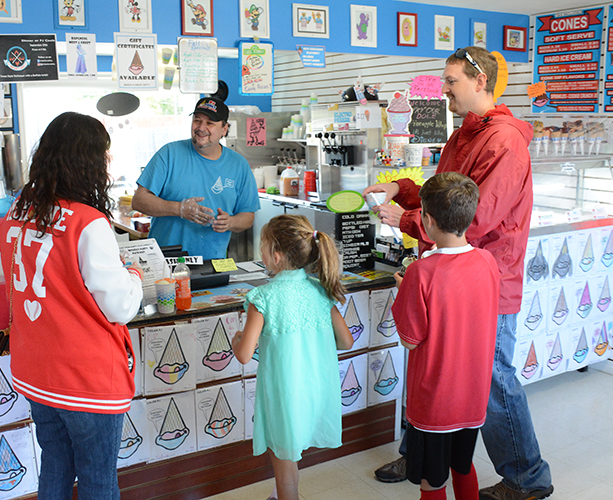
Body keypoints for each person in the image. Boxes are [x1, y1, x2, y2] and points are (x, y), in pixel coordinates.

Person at [364, 46, 553, 500]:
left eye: (451, 81)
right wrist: (404, 189)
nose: (443, 89)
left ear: (480, 82)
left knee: (490, 380)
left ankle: (528, 478)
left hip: (485, 283)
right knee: (431, 371)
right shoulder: (465, 133)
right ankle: (422, 452)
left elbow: (477, 216)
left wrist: (407, 220)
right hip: (450, 274)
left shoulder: (504, 141)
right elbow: (442, 193)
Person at [0, 112, 143, 500]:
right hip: (83, 377)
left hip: (35, 371)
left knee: (55, 465)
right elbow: (120, 307)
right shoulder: (88, 222)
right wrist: (134, 277)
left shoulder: (17, 213)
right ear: (88, 161)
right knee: (97, 478)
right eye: (103, 156)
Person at [391, 172, 500, 500]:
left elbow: (410, 340)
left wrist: (403, 292)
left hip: (435, 401)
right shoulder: (487, 260)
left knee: (432, 482)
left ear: (428, 220)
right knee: (463, 467)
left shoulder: (420, 273)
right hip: (473, 395)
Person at [232, 214, 354, 500]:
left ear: (275, 255)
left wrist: (238, 339)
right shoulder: (320, 291)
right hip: (315, 390)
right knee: (291, 456)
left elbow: (244, 354)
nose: (259, 251)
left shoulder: (263, 298)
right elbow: (346, 341)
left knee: (284, 463)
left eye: (262, 245)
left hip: (283, 395)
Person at [131, 96, 260, 260]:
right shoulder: (169, 154)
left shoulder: (239, 165)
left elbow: (248, 216)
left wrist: (231, 223)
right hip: (165, 259)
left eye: (210, 123)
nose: (201, 128)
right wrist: (180, 209)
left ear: (224, 129)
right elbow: (139, 200)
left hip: (213, 260)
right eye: (197, 121)